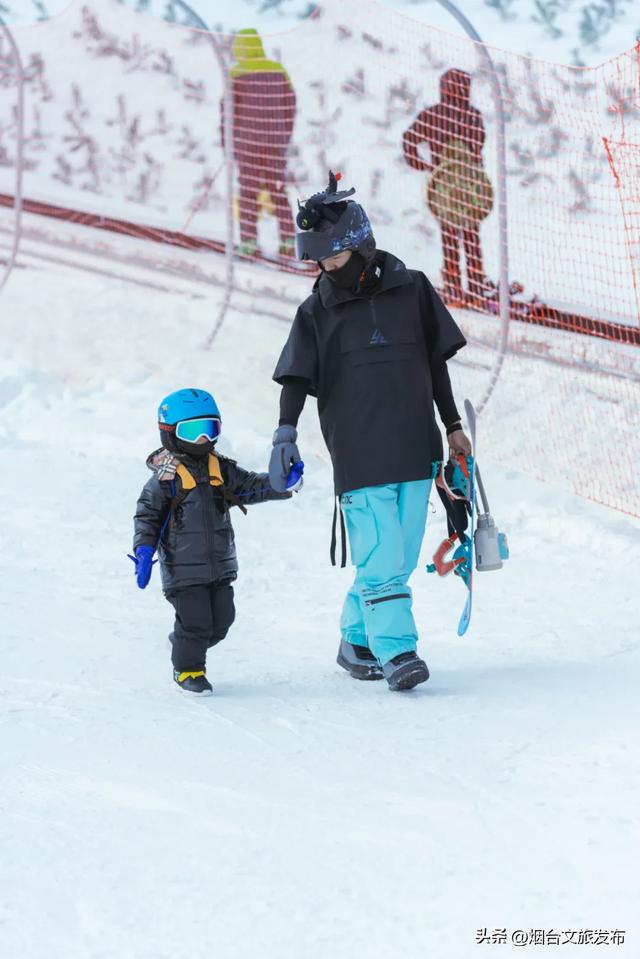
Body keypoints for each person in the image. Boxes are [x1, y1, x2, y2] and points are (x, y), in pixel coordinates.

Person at [268, 172, 472, 692]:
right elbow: (295, 376)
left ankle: (355, 639)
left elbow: (437, 366)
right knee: (381, 556)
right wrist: (284, 434)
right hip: (359, 454)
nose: (327, 269)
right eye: (319, 262)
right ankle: (397, 651)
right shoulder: (317, 309)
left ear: (360, 245)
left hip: (415, 447)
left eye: (333, 258)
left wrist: (452, 428)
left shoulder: (413, 291)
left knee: (397, 557)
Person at [131, 388, 293, 696]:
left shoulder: (221, 468)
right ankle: (188, 669)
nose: (203, 440)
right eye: (193, 432)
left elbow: (250, 488)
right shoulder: (165, 478)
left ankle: (183, 640)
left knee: (222, 621)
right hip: (183, 570)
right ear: (170, 434)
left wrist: (279, 482)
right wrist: (143, 550)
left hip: (219, 565)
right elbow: (147, 517)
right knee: (196, 623)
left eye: (210, 429)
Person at [403, 68, 490, 302]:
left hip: (443, 189)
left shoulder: (432, 115)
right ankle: (476, 287)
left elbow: (408, 139)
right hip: (471, 189)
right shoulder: (473, 115)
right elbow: (478, 145)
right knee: (471, 236)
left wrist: (423, 166)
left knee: (449, 237)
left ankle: (453, 288)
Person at [223, 28, 297, 258]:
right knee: (277, 190)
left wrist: (226, 145)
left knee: (248, 193)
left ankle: (249, 245)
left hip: (247, 144)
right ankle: (287, 242)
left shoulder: (235, 73)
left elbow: (226, 112)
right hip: (275, 143)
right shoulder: (279, 70)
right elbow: (290, 106)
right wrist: (283, 136)